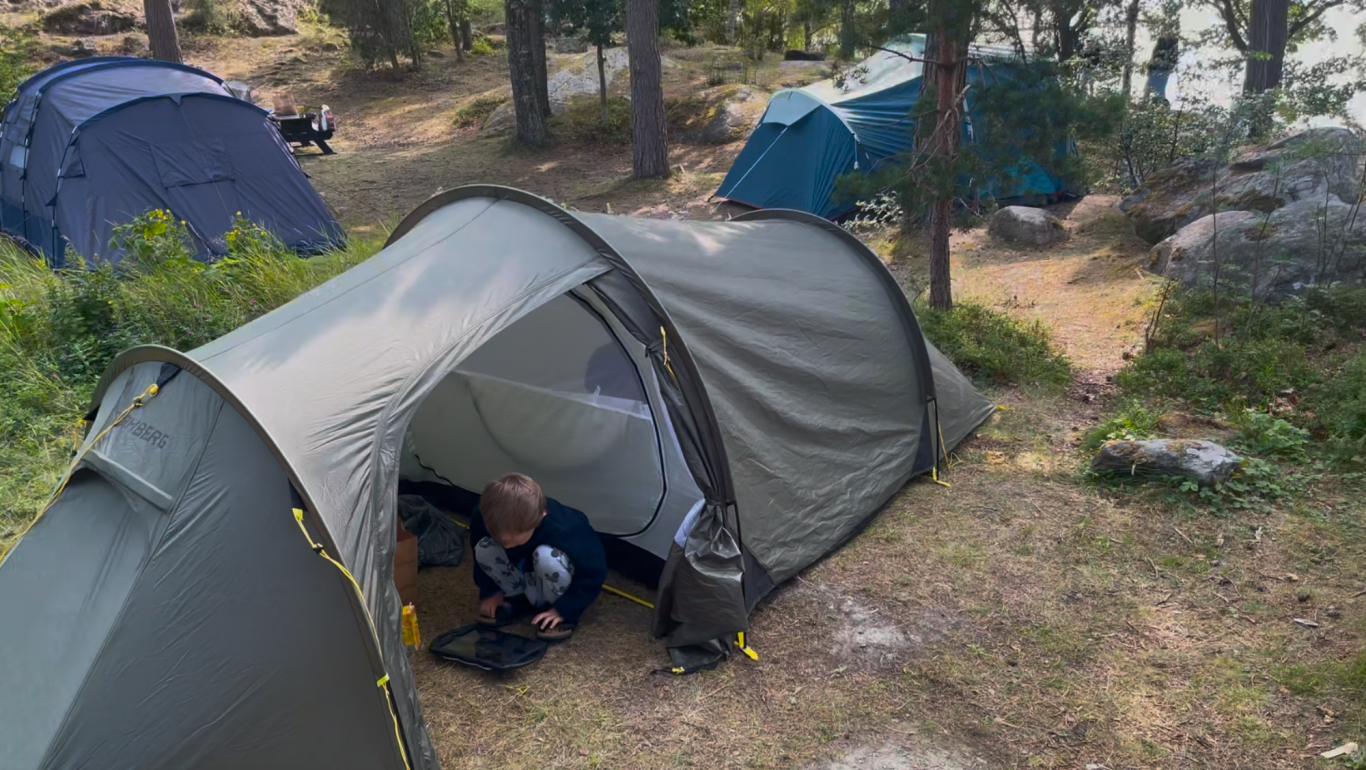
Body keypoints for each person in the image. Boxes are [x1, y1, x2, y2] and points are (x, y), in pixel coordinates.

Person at [469, 473, 606, 641]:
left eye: (515, 540)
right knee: (483, 548)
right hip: (524, 578)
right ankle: (515, 600)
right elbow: (479, 555)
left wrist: (565, 608)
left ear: (540, 518)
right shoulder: (486, 517)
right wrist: (491, 591)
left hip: (555, 585)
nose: (507, 547)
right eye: (501, 540)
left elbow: (593, 572)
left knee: (546, 557)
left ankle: (555, 612)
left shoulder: (568, 528)